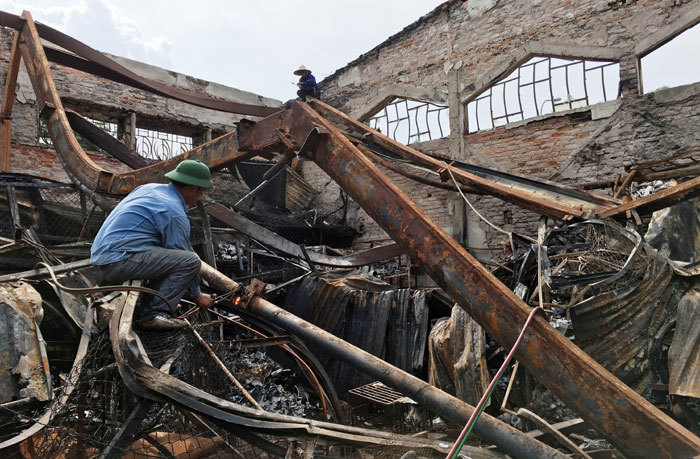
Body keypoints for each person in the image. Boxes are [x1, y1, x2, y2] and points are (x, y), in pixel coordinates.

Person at [90, 159, 214, 330]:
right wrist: (197, 294)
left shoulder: (149, 188)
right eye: (201, 192)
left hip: (100, 256)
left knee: (173, 257)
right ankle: (153, 314)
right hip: (118, 261)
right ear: (193, 188)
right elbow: (183, 256)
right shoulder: (174, 212)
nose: (200, 198)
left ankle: (149, 306)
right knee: (191, 261)